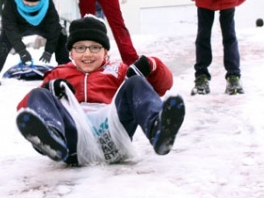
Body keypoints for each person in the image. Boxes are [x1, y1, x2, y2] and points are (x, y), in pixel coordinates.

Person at [15, 15, 185, 166]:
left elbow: (163, 86)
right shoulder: (59, 73)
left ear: (105, 52)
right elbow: (26, 109)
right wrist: (49, 89)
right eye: (80, 48)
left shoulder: (118, 70)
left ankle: (158, 130)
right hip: (73, 140)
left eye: (95, 47)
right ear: (71, 53)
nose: (87, 54)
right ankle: (52, 138)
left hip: (112, 135)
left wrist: (151, 66)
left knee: (135, 82)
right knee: (38, 94)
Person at [178, 0, 256, 95]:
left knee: (229, 35)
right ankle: (201, 76)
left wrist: (235, 1)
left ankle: (233, 75)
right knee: (203, 35)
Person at [0, 0, 70, 86]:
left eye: (34, 3)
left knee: (61, 33)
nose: (30, 5)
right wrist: (22, 51)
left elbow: (53, 25)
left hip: (42, 24)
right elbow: (9, 27)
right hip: (19, 26)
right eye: (27, 3)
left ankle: (65, 71)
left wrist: (49, 50)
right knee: (4, 41)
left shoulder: (47, 0)